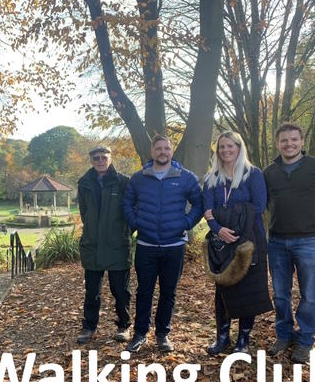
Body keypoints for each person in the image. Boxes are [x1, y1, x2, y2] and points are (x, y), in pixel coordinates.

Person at [264, 123, 315, 363]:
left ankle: (306, 339)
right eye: (284, 140)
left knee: (309, 292)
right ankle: (284, 334)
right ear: (278, 143)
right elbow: (263, 203)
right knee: (280, 294)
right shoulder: (269, 172)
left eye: (293, 139)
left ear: (302, 141)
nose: (289, 144)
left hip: (309, 241)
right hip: (277, 241)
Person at [122, 135, 203, 353]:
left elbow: (199, 204)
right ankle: (140, 334)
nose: (163, 152)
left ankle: (162, 333)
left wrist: (186, 222)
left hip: (174, 245)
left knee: (169, 291)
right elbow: (127, 203)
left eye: (166, 148)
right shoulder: (139, 178)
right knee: (144, 291)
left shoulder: (186, 178)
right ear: (152, 151)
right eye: (158, 148)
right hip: (147, 245)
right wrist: (136, 222)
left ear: (171, 151)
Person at [202, 131, 272, 354]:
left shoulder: (253, 174)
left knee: (248, 290)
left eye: (230, 146)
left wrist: (226, 218)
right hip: (221, 243)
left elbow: (258, 206)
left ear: (239, 148)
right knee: (222, 290)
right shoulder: (211, 178)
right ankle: (222, 337)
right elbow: (207, 210)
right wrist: (219, 229)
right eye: (221, 147)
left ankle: (243, 339)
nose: (225, 150)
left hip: (249, 241)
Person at [76, 145, 132, 344]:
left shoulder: (123, 181)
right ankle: (88, 326)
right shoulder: (84, 183)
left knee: (121, 291)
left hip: (117, 246)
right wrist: (93, 229)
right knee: (92, 292)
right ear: (91, 160)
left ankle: (124, 326)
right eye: (96, 158)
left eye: (104, 157)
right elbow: (85, 212)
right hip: (92, 245)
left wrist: (122, 232)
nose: (100, 161)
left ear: (111, 158)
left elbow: (132, 210)